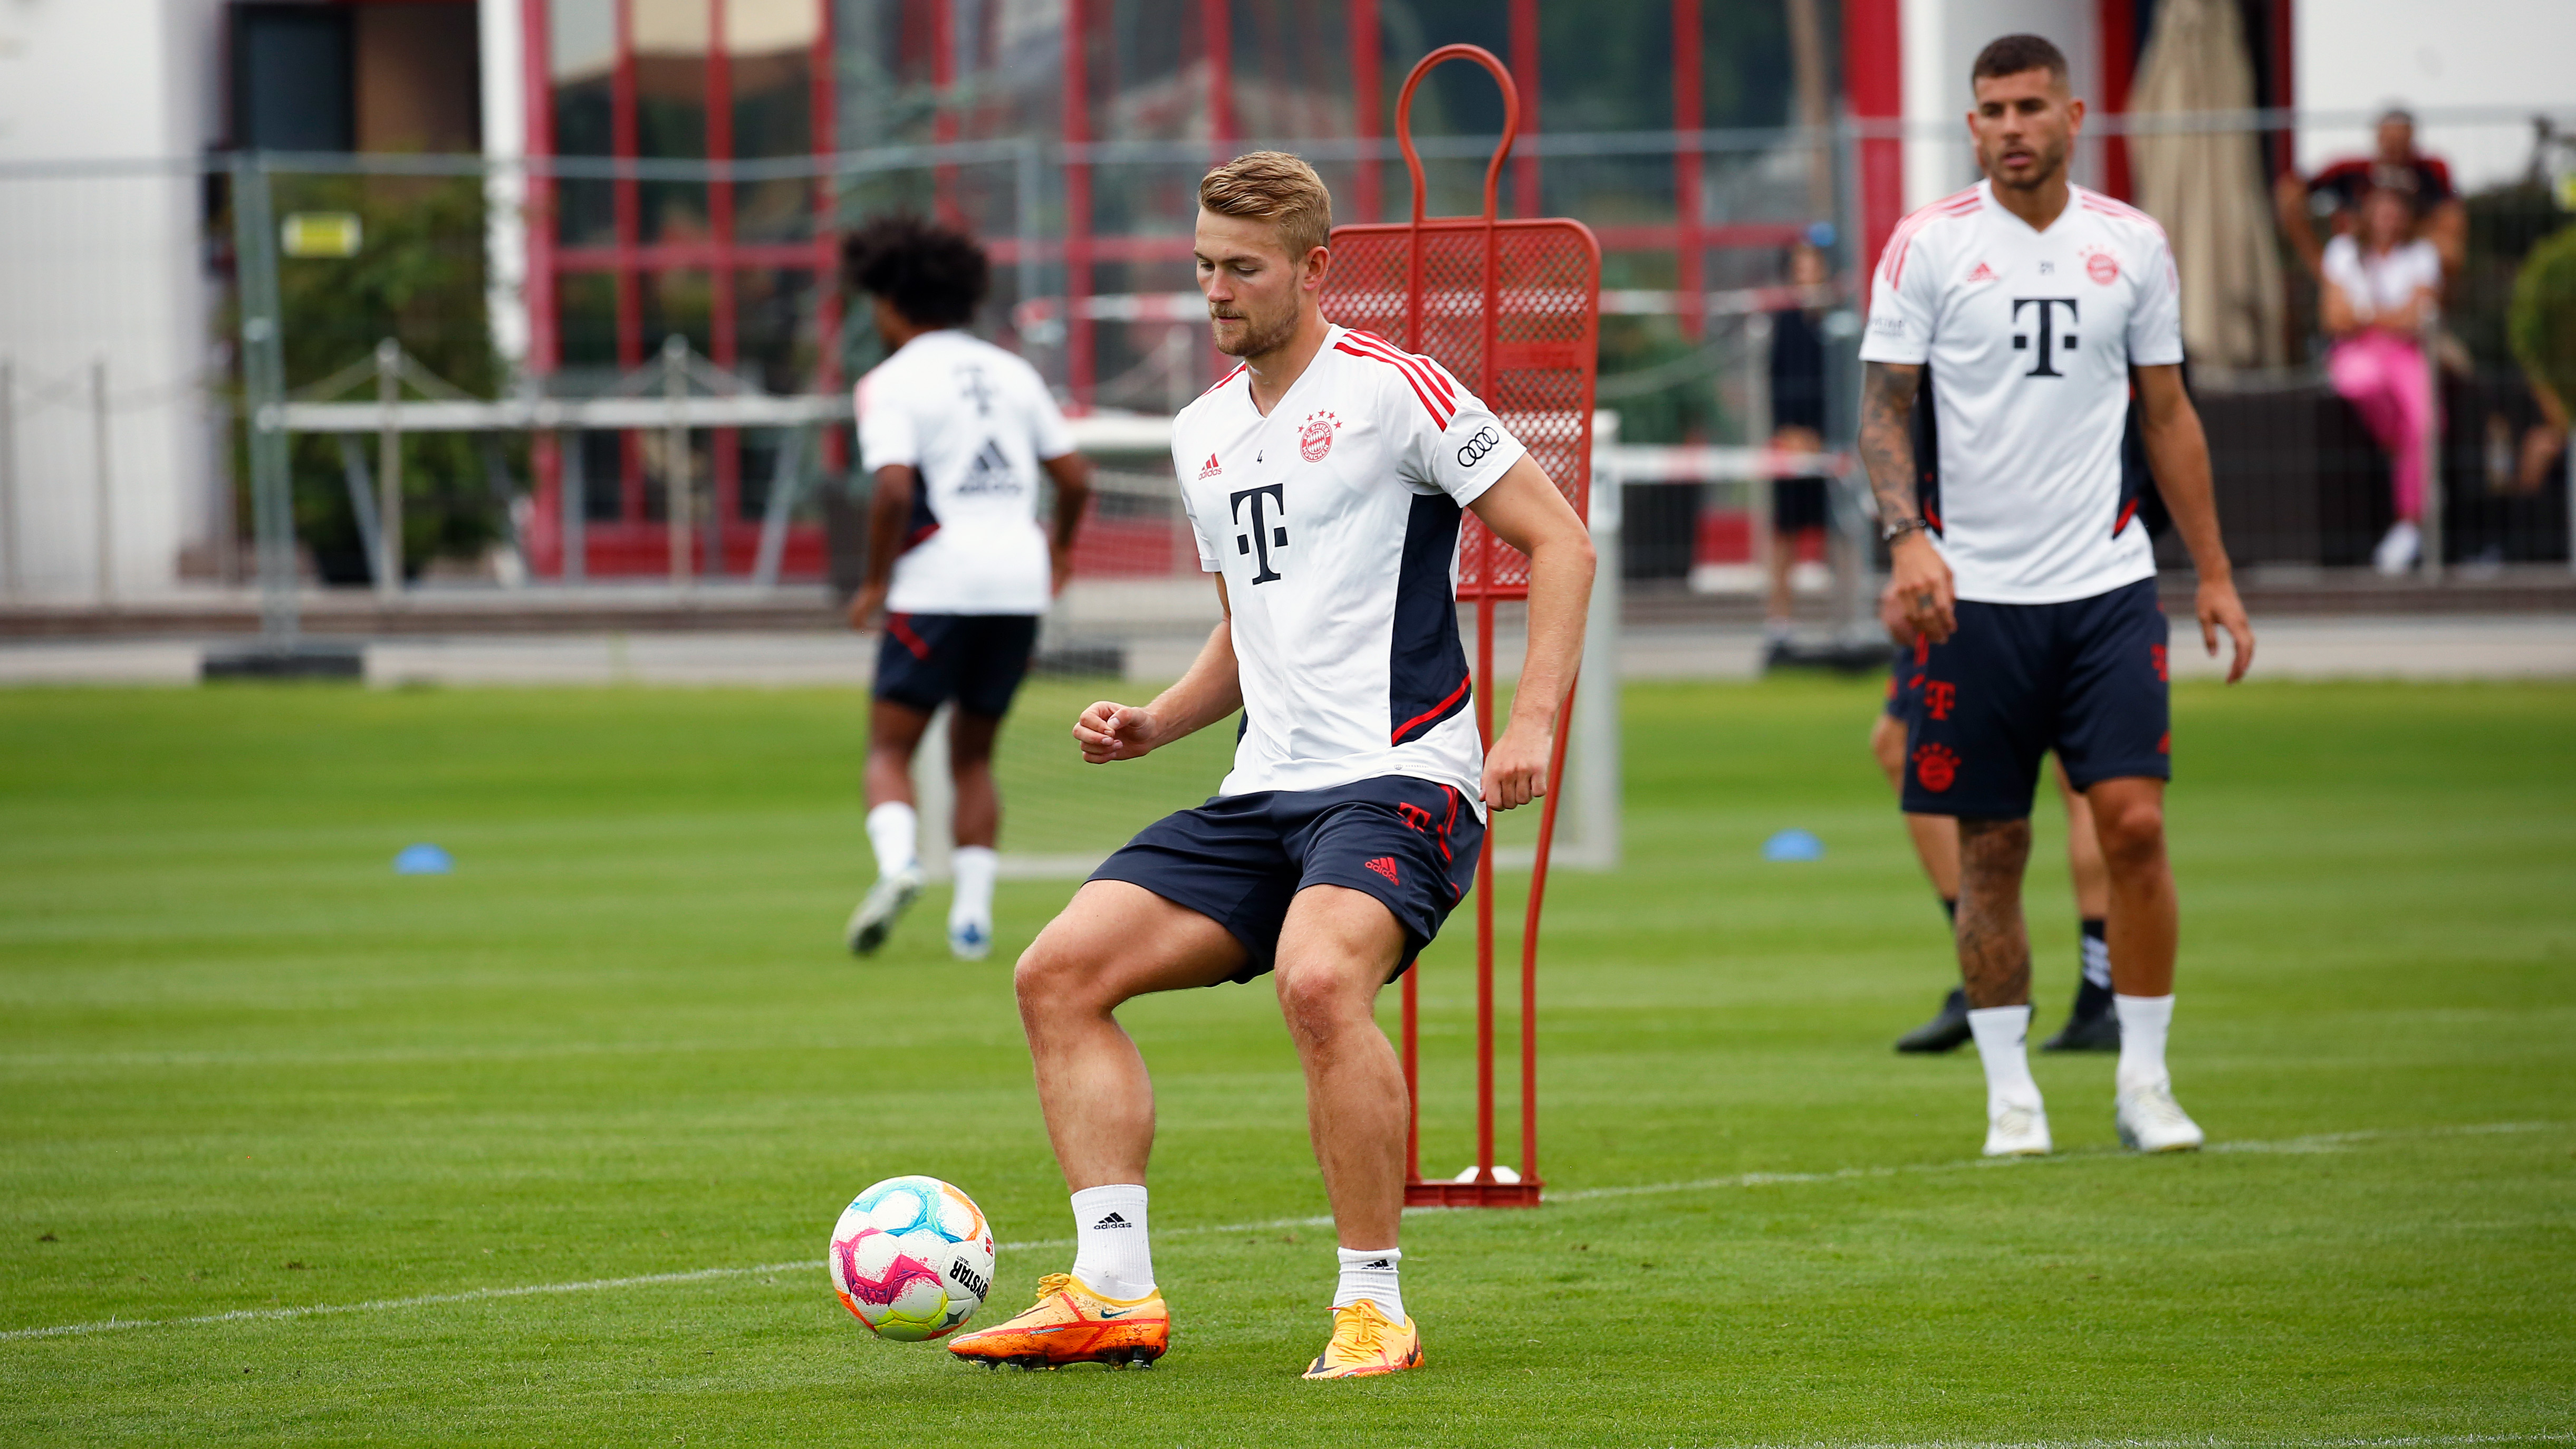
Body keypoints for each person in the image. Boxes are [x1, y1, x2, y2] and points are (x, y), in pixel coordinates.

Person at [944, 151, 1593, 1378]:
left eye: (1239, 268)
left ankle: (1370, 1305)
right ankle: (1113, 1290)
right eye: (1199, 266)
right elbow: (1253, 624)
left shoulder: (1396, 389)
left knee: (1314, 980)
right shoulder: (1199, 433)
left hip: (1402, 776)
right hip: (1264, 790)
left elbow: (1558, 542)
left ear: (1312, 267)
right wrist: (1155, 720)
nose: (1214, 291)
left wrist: (1531, 725)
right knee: (1056, 972)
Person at [1858, 34, 2256, 1158]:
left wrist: (2215, 571)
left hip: (2108, 585)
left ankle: (2145, 1080)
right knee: (1993, 846)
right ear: (1973, 124)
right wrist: (1908, 539)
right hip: (1970, 598)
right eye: (1993, 109)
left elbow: (2168, 413)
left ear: (2075, 115)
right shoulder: (1927, 247)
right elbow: (1884, 409)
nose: (2013, 125)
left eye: (2033, 105)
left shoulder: (2132, 243)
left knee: (2132, 823)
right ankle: (2011, 1097)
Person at [840, 216, 1092, 961]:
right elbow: (1075, 476)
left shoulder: (889, 381)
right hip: (1017, 585)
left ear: (890, 302)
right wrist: (1061, 550)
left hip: (935, 584)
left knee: (890, 747)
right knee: (974, 755)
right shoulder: (1012, 371)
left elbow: (891, 490)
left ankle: (900, 865)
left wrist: (878, 578)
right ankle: (972, 920)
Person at [1876, 586, 2120, 1055]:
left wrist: (1907, 556)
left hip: (1980, 590)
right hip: (2095, 586)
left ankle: (1986, 974)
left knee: (1910, 749)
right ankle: (2101, 995)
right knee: (2087, 778)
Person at [2320, 186, 2444, 575]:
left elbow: (2420, 316)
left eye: (2397, 209)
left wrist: (2367, 314)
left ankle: (2409, 521)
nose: (2388, 217)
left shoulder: (2421, 255)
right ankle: (2400, 450)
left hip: (2406, 352)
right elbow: (2334, 318)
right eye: (2382, 208)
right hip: (2357, 351)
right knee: (2363, 385)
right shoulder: (2342, 252)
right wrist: (2391, 316)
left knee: (2425, 424)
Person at [1763, 235, 1851, 652]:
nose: (1805, 275)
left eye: (1811, 266)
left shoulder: (1841, 322)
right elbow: (1775, 384)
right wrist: (1790, 434)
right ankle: (1780, 625)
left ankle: (1848, 622)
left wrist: (1831, 435)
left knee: (1843, 533)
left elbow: (1848, 386)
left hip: (1835, 448)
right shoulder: (1784, 322)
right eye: (1798, 268)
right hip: (1794, 448)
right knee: (1785, 535)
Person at [2275, 105, 2466, 280]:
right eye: (2389, 141)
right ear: (2378, 138)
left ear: (2412, 140)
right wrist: (2317, 261)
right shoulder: (2350, 170)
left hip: (2409, 252)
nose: (2394, 148)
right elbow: (2291, 190)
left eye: (2401, 141)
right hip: (2360, 253)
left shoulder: (2431, 171)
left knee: (2447, 250)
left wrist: (2402, 231)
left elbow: (2452, 217)